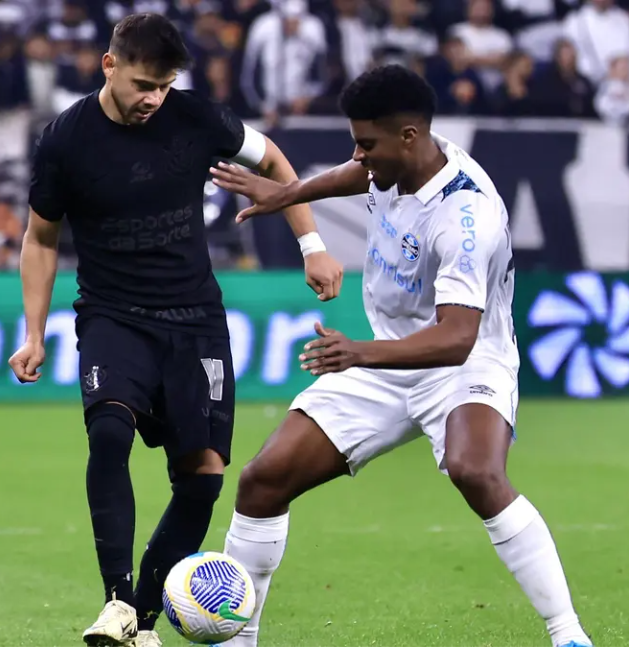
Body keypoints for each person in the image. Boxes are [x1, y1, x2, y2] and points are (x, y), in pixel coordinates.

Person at [208, 64, 593, 647]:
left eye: (367, 143)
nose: (359, 156)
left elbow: (456, 337)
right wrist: (288, 193)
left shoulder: (466, 217)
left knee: (476, 471)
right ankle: (239, 641)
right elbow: (355, 176)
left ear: (409, 136)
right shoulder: (397, 163)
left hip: (463, 362)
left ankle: (568, 635)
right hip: (385, 354)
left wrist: (357, 353)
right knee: (264, 480)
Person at [7, 13, 343, 647]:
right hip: (113, 315)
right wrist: (34, 333)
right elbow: (40, 238)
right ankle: (115, 600)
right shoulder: (65, 140)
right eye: (142, 85)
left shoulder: (196, 118)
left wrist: (313, 245)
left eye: (163, 86)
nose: (152, 100)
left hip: (195, 322)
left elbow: (271, 157)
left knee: (203, 479)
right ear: (109, 65)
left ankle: (141, 623)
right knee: (109, 433)